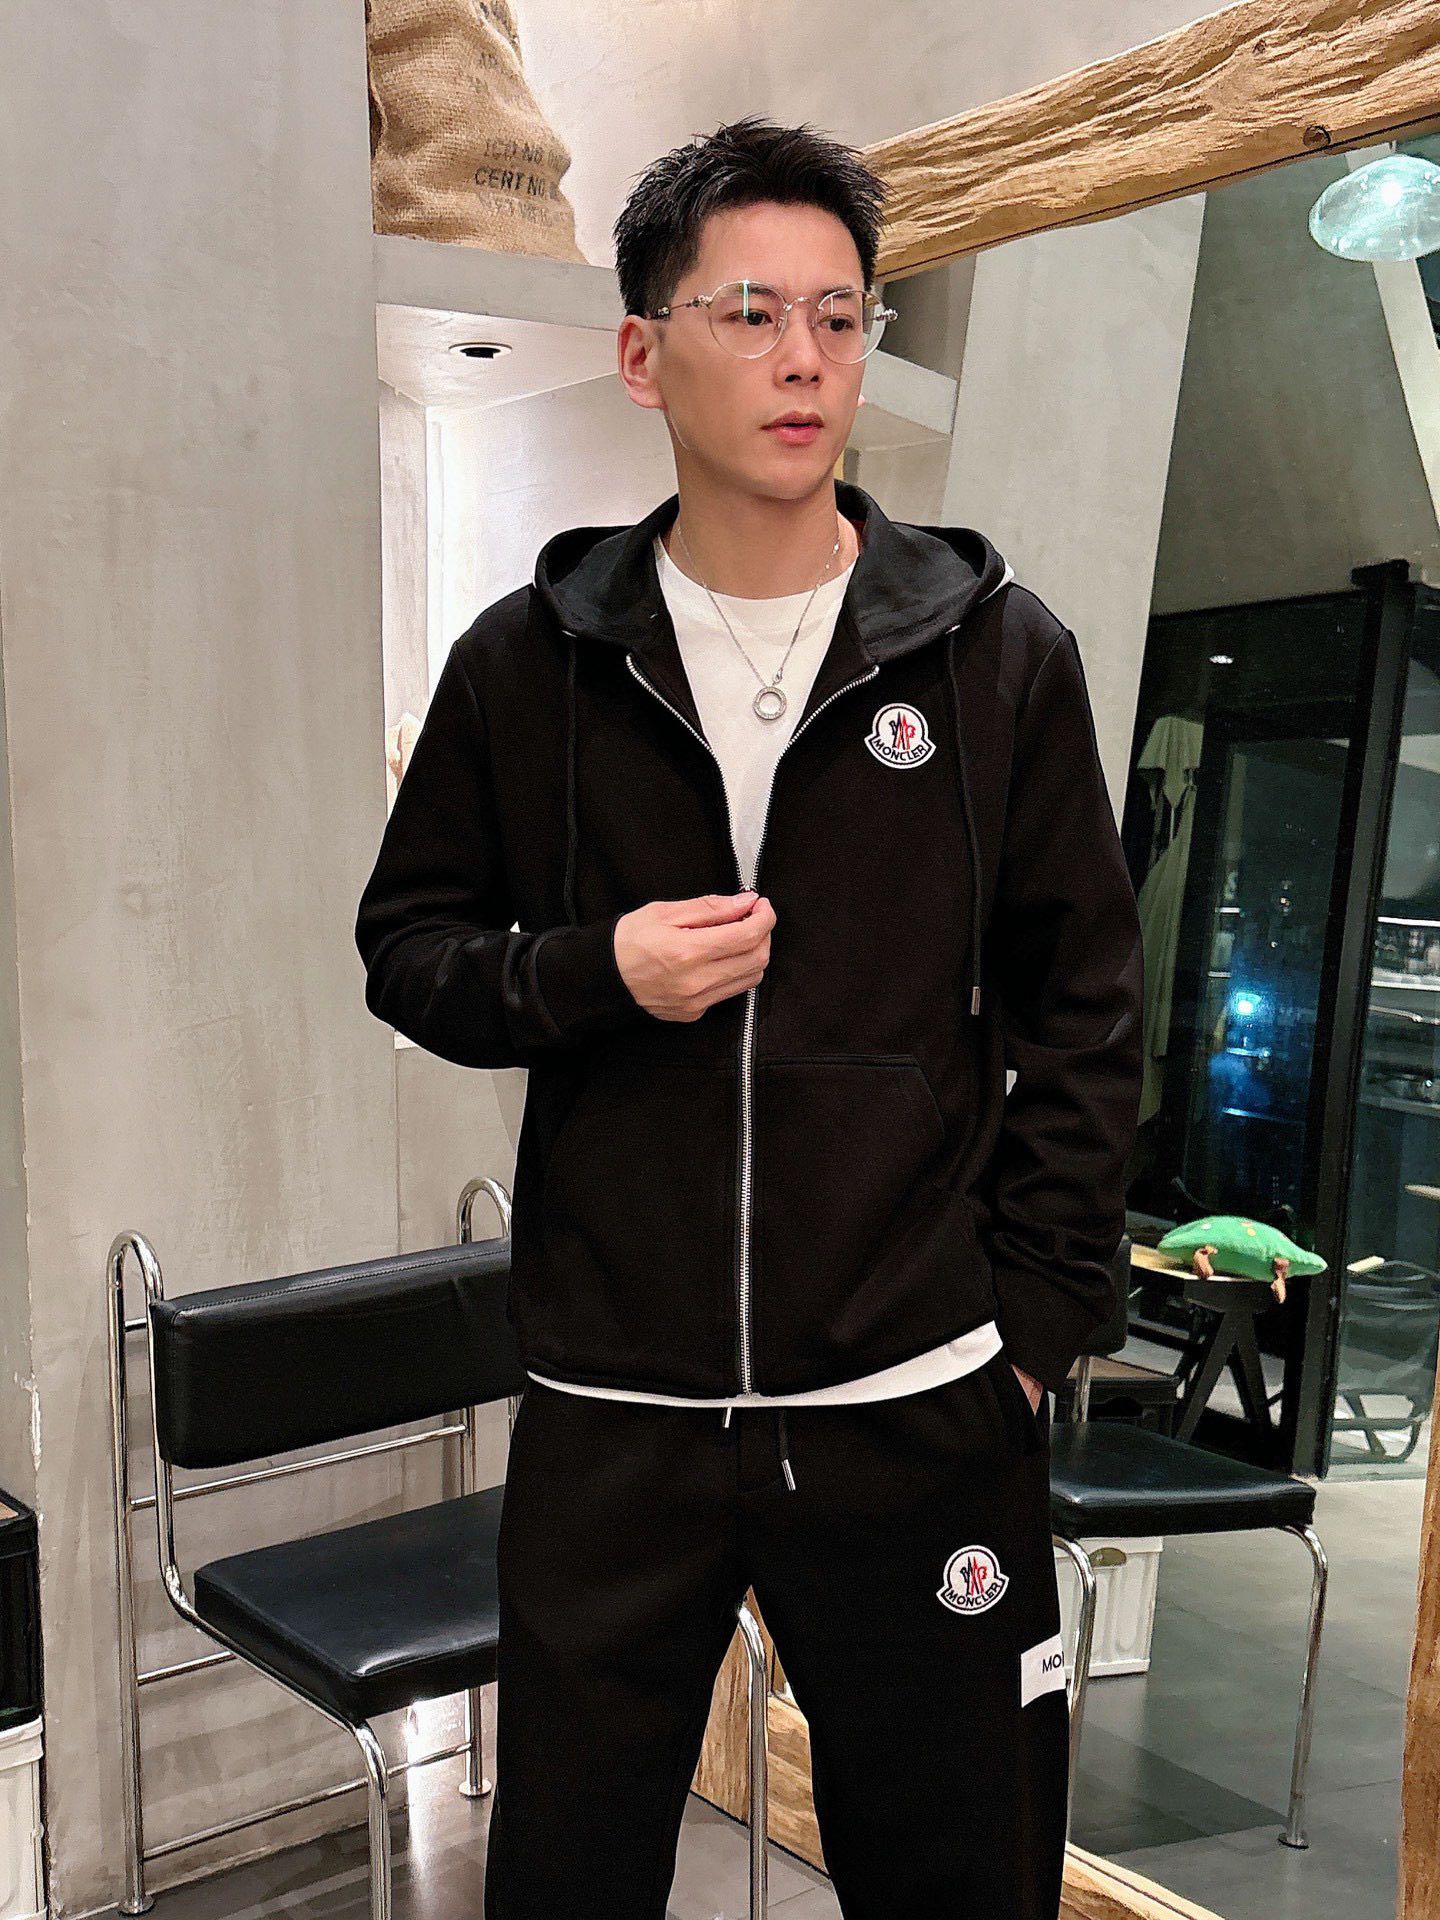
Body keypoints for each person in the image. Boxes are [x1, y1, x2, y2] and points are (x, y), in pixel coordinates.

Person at [354, 111, 1144, 1920]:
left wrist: (1031, 1331)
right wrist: (594, 973)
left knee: (960, 1871)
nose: (807, 359)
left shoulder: (999, 656)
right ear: (645, 354)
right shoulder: (527, 663)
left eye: (842, 318)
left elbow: (1086, 1013)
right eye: (754, 314)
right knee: (568, 1876)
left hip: (916, 1398)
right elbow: (409, 949)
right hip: (612, 1409)